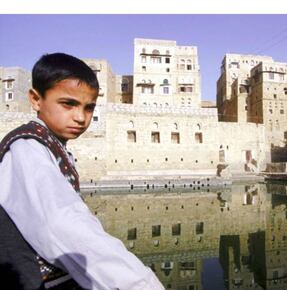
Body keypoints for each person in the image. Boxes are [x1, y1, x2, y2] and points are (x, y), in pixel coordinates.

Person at [0, 53, 164, 290]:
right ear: (36, 99)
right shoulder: (27, 148)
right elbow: (63, 225)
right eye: (68, 104)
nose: (80, 117)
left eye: (89, 108)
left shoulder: (51, 145)